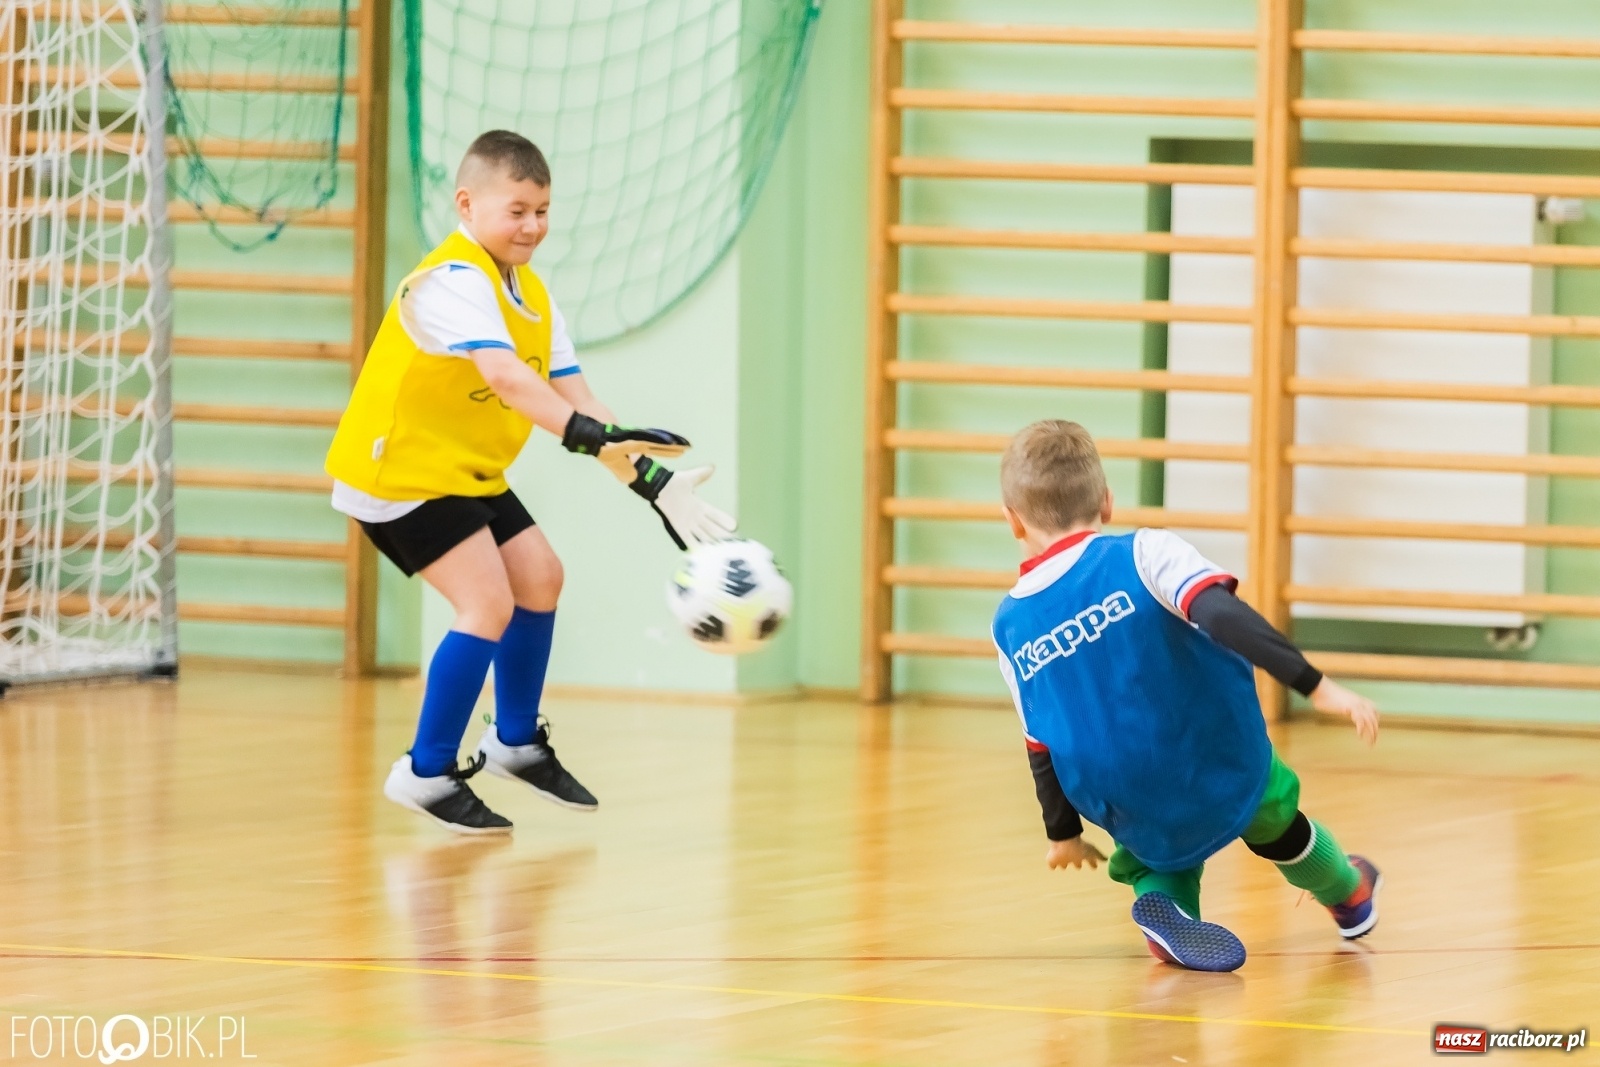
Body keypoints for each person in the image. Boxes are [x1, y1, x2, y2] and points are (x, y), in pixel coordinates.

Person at [325, 130, 734, 835]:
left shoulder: (536, 297)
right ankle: (424, 771)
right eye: (517, 209)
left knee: (539, 576)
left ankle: (514, 741)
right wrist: (590, 437)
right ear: (467, 203)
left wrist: (653, 483)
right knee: (487, 601)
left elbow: (581, 400)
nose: (533, 226)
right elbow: (510, 380)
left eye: (543, 210)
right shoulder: (451, 283)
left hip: (464, 468)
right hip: (399, 472)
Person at [991, 419, 1380, 972]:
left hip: (1115, 792)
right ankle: (1348, 891)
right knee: (1271, 816)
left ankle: (1167, 907)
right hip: (1209, 752)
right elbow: (1222, 615)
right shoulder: (1145, 553)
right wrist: (1315, 686)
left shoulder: (1008, 623)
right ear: (1106, 503)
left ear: (1012, 521)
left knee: (1155, 847)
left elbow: (1038, 739)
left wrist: (1064, 834)